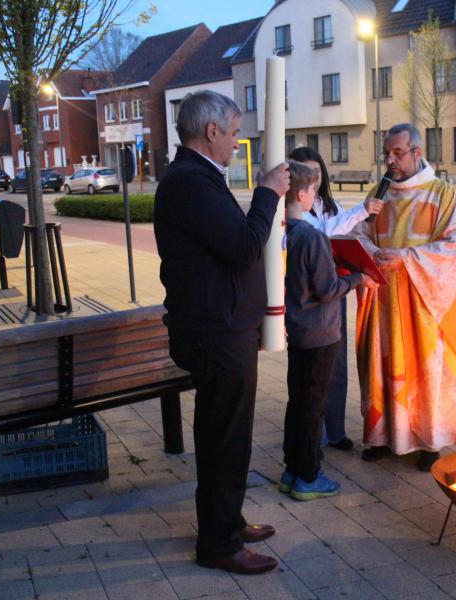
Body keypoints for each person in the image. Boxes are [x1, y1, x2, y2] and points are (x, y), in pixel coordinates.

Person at [154, 90, 290, 575]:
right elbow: (242, 248)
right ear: (211, 132)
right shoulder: (191, 182)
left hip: (223, 328)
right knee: (225, 439)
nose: (237, 141)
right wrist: (269, 192)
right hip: (216, 334)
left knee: (224, 436)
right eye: (233, 132)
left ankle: (225, 522)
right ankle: (219, 544)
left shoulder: (195, 178)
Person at [354, 123, 456, 472]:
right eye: (387, 154)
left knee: (425, 372)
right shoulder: (379, 193)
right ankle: (384, 437)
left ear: (417, 153)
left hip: (425, 304)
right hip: (384, 300)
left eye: (397, 153)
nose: (390, 161)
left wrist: (406, 258)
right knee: (384, 369)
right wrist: (370, 251)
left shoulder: (442, 194)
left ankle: (429, 441)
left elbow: (455, 244)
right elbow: (358, 232)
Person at [278, 161, 377, 501]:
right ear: (302, 194)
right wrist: (356, 278)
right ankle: (308, 476)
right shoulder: (311, 235)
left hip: (296, 328)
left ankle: (292, 469)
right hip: (320, 332)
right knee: (313, 406)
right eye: (314, 193)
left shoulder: (282, 231)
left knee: (298, 401)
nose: (316, 199)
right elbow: (327, 288)